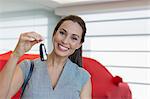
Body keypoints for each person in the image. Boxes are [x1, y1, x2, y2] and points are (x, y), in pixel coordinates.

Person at [0, 15, 91, 99]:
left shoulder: (83, 77)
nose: (65, 41)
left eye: (74, 38)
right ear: (54, 33)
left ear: (79, 44)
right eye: (62, 33)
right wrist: (16, 54)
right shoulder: (28, 67)